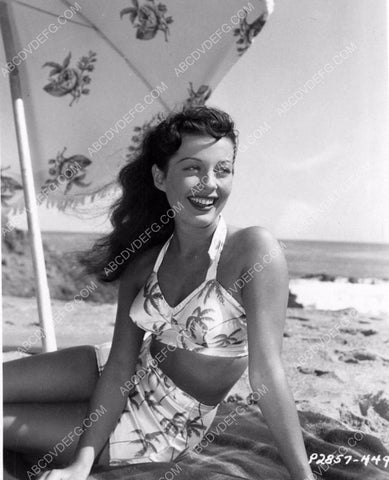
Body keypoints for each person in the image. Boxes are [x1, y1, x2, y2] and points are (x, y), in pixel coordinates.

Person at [3, 106, 314, 480]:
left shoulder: (253, 251)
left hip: (158, 425)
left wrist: (303, 475)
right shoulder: (143, 266)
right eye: (192, 168)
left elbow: (267, 374)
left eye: (223, 169)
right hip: (109, 371)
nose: (209, 183)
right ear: (160, 176)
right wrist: (81, 465)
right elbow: (119, 367)